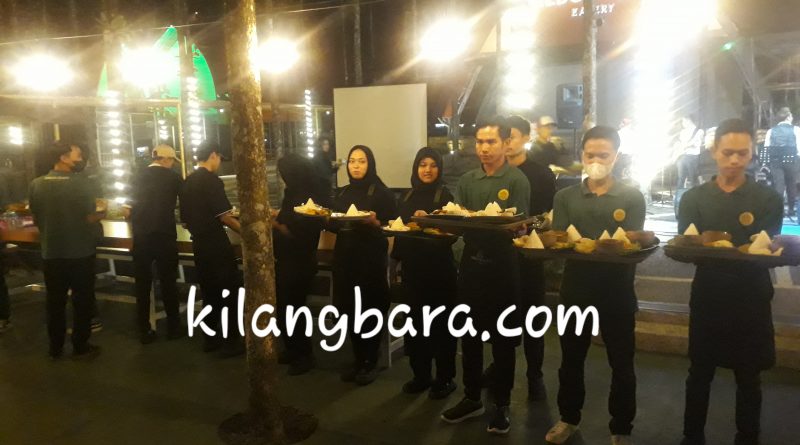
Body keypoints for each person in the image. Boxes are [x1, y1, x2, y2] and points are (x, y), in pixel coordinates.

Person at [677, 119, 784, 445]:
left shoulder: (768, 198)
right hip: (708, 294)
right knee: (699, 373)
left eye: (742, 153)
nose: (735, 160)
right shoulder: (694, 198)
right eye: (728, 153)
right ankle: (691, 437)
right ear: (714, 151)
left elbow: (764, 249)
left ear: (752, 153)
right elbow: (687, 246)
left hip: (751, 295)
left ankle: (748, 437)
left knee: (749, 376)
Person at [545, 126, 645, 445]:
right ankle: (568, 418)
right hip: (576, 290)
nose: (597, 161)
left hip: (617, 291)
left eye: (604, 155)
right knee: (571, 361)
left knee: (622, 363)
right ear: (582, 156)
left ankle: (621, 428)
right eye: (591, 155)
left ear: (616, 157)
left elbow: (634, 245)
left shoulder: (631, 197)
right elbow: (561, 241)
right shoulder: (565, 197)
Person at [441, 116, 530, 435]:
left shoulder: (517, 179)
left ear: (505, 144)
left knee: (503, 340)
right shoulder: (468, 180)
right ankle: (471, 397)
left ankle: (502, 405)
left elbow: (519, 226)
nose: (484, 148)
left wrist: (507, 228)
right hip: (471, 267)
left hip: (503, 267)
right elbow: (458, 218)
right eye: (480, 142)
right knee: (470, 336)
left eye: (491, 142)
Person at [482, 115, 555, 401]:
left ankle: (535, 374)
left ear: (526, 138)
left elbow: (547, 216)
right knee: (501, 317)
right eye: (503, 138)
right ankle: (498, 369)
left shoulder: (540, 174)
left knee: (533, 318)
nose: (507, 143)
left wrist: (526, 226)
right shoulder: (492, 173)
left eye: (510, 137)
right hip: (499, 257)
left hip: (529, 256)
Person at [393, 147, 458, 399]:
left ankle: (445, 378)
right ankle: (420, 375)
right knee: (416, 326)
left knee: (442, 327)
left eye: (433, 165)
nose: (427, 170)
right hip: (413, 270)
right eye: (422, 165)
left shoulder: (445, 195)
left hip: (439, 270)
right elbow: (399, 230)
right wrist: (395, 262)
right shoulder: (407, 195)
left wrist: (429, 221)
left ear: (439, 169)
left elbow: (452, 234)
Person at [29, 142, 104, 359]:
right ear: (63, 157)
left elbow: (36, 217)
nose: (80, 159)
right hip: (80, 251)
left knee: (55, 301)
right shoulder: (82, 183)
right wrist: (104, 213)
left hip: (51, 252)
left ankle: (55, 347)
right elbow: (89, 216)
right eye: (77, 155)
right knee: (82, 300)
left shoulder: (36, 184)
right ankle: (80, 345)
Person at [331, 145, 396, 385]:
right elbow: (334, 223)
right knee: (349, 307)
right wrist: (325, 219)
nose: (356, 166)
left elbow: (392, 226)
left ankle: (371, 359)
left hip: (370, 257)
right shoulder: (341, 192)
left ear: (370, 164)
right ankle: (358, 358)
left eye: (361, 161)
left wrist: (375, 223)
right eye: (352, 161)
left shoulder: (382, 193)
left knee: (370, 306)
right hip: (345, 257)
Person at [180, 142, 243, 357]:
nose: (219, 163)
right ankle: (231, 341)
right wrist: (248, 234)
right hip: (216, 244)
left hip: (199, 244)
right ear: (213, 155)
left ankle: (210, 339)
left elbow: (185, 221)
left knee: (209, 292)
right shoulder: (211, 181)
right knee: (230, 291)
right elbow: (225, 216)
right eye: (220, 158)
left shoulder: (187, 181)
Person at [272, 153, 330, 376]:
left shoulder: (307, 197)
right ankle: (292, 348)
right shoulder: (294, 192)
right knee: (285, 306)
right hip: (287, 259)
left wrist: (275, 225)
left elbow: (301, 232)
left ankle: (304, 354)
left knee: (294, 307)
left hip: (300, 260)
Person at [128, 145, 184, 344]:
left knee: (142, 284)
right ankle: (173, 327)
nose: (172, 164)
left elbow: (127, 209)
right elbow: (184, 204)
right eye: (172, 161)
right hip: (164, 235)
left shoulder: (136, 176)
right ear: (166, 159)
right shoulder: (173, 178)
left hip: (141, 237)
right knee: (168, 282)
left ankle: (144, 330)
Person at [764, 107, 800, 215]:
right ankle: (791, 209)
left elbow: (767, 147)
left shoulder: (771, 131)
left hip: (775, 159)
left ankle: (779, 209)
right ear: (788, 117)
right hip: (791, 158)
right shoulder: (796, 129)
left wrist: (765, 163)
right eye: (791, 116)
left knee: (778, 184)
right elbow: (799, 146)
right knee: (791, 184)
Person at [673, 116, 705, 190]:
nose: (682, 124)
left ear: (688, 120)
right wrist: (677, 146)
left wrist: (685, 146)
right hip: (681, 156)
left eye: (683, 121)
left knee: (693, 179)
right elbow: (680, 143)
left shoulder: (699, 131)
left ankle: (694, 195)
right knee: (681, 178)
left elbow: (696, 144)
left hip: (692, 157)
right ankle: (679, 195)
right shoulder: (683, 132)